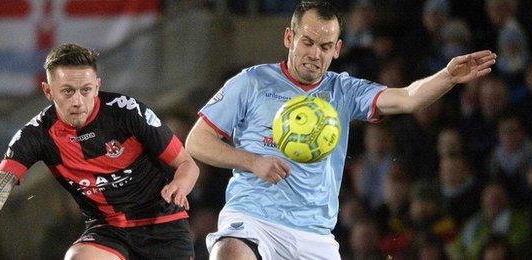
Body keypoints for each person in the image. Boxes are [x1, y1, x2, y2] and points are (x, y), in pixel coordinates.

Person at [185, 1, 497, 259]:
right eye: (307, 42)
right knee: (229, 252)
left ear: (337, 49)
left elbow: (408, 98)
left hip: (314, 233)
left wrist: (446, 76)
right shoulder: (252, 82)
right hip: (254, 218)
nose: (314, 54)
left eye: (324, 46)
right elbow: (197, 141)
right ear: (288, 38)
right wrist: (252, 161)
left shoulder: (343, 91)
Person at [0, 43, 200, 260]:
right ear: (48, 91)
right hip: (107, 229)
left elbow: (188, 164)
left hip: (161, 224)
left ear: (97, 86)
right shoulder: (36, 135)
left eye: (86, 90)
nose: (77, 101)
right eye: (67, 91)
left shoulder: (128, 113)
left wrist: (180, 184)